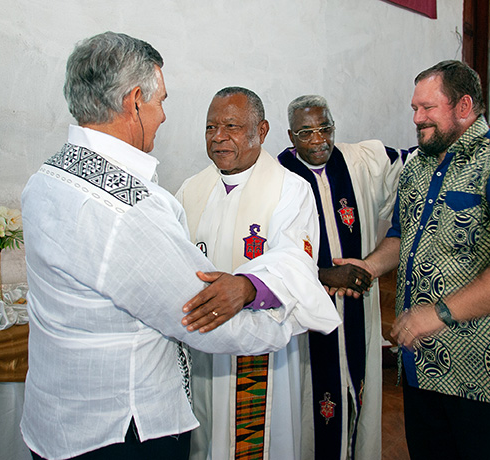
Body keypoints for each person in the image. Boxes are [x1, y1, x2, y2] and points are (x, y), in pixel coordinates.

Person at [21, 34, 332, 460]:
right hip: (118, 429)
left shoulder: (47, 177)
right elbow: (197, 312)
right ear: (134, 102)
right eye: (160, 101)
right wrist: (294, 314)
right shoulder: (132, 205)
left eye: (232, 126)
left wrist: (252, 287)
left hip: (62, 419)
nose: (164, 115)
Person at [338, 60, 490, 460]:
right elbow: (402, 236)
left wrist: (439, 314)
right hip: (427, 367)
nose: (417, 118)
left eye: (428, 108)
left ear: (464, 106)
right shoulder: (418, 169)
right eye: (414, 108)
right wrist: (371, 266)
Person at [176, 87, 341, 460]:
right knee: (205, 440)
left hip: (264, 353)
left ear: (261, 131)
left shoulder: (291, 190)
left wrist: (249, 287)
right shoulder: (190, 190)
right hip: (203, 349)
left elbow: (296, 263)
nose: (218, 137)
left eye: (231, 126)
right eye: (210, 127)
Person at [277, 95, 410, 460]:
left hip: (358, 305)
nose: (319, 139)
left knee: (359, 397)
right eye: (307, 132)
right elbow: (268, 255)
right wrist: (321, 274)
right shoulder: (276, 177)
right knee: (313, 405)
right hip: (307, 315)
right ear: (291, 135)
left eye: (326, 128)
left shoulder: (361, 161)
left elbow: (415, 165)